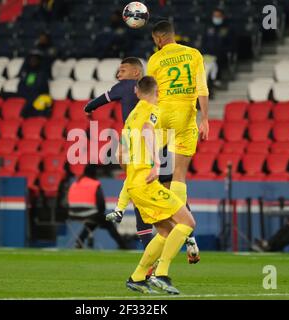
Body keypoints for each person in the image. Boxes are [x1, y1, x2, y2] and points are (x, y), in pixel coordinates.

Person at [83, 58, 199, 264]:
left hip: (138, 151)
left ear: (136, 74)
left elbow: (98, 101)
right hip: (161, 145)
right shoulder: (155, 94)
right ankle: (189, 237)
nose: (119, 74)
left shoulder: (125, 87)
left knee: (141, 201)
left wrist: (88, 109)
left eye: (123, 70)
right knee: (169, 194)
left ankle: (148, 255)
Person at [122, 76, 196, 295]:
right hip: (147, 182)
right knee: (187, 221)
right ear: (158, 92)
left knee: (165, 231)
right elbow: (147, 130)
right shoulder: (152, 109)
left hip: (134, 184)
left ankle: (137, 277)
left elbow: (120, 153)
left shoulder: (130, 116)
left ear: (136, 91)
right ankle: (160, 274)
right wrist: (155, 163)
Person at [147, 20, 209, 229]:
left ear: (159, 38)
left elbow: (150, 95)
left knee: (151, 171)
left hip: (161, 114)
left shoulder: (155, 59)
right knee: (179, 174)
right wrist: (205, 119)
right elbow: (202, 88)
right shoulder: (194, 54)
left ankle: (162, 225)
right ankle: (183, 228)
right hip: (184, 114)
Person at [67, 164, 128, 250]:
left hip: (73, 214)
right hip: (90, 214)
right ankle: (123, 246)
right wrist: (101, 214)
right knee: (108, 221)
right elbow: (101, 203)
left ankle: (79, 241)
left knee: (93, 222)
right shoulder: (94, 184)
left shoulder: (75, 183)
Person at [201, 8, 235, 87]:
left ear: (222, 17)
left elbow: (231, 45)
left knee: (216, 61)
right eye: (214, 16)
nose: (216, 18)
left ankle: (215, 80)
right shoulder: (208, 28)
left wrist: (223, 51)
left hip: (221, 54)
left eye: (218, 16)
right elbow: (204, 41)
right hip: (207, 53)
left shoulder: (228, 29)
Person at [17, 50, 50, 118]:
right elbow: (21, 86)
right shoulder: (26, 72)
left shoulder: (42, 73)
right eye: (31, 59)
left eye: (35, 59)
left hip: (37, 96)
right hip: (26, 94)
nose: (33, 61)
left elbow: (41, 88)